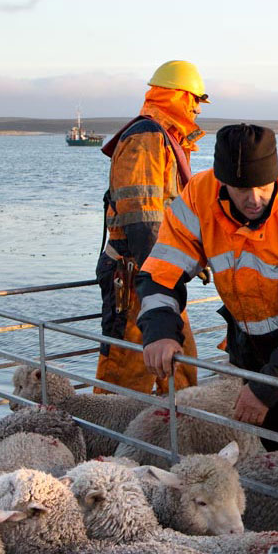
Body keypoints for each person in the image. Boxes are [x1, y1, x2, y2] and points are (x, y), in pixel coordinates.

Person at [137, 124, 278, 450]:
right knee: (269, 439)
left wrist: (265, 389)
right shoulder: (198, 196)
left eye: (263, 186)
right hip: (251, 340)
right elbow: (161, 272)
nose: (253, 199)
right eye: (240, 189)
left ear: (275, 175)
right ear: (222, 182)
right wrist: (160, 331)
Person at [95, 60, 209, 394]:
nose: (197, 108)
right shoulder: (146, 138)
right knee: (125, 370)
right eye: (194, 98)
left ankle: (179, 432)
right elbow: (141, 213)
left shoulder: (165, 139)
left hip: (160, 270)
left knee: (180, 363)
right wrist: (157, 273)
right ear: (174, 95)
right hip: (135, 276)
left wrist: (189, 257)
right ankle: (107, 439)